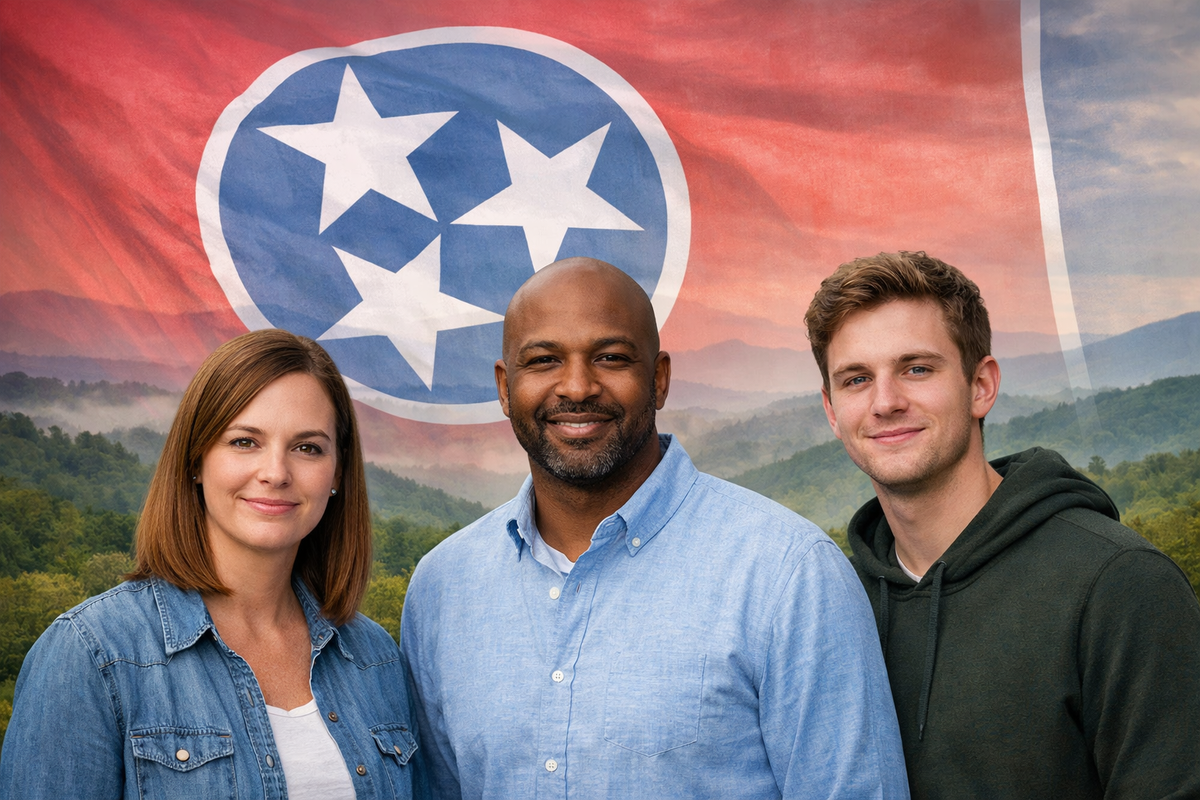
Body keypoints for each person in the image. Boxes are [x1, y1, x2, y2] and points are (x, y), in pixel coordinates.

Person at [401, 257, 908, 800]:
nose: (576, 386)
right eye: (544, 360)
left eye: (611, 357)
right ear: (505, 387)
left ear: (659, 379)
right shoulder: (441, 589)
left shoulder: (789, 574)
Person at [805, 251, 1200, 799]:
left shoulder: (1119, 587)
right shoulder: (828, 603)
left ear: (981, 386)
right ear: (831, 410)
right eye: (855, 379)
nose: (885, 402)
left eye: (917, 368)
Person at [0, 329, 417, 799]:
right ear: (196, 459)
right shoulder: (91, 655)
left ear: (338, 472)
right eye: (244, 442)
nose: (276, 472)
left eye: (307, 448)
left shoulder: (374, 657)